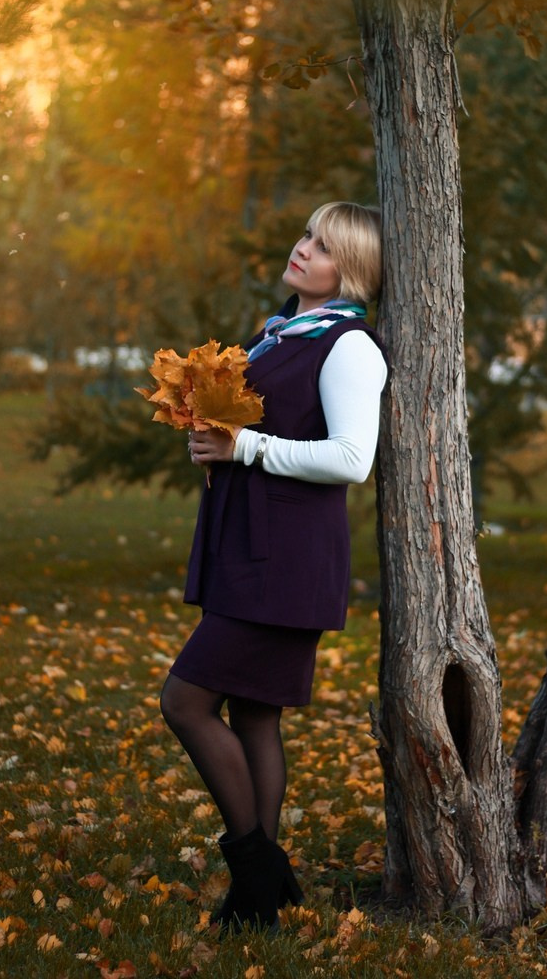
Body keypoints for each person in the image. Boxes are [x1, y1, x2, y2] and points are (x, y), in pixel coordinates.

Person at [159, 201, 388, 933]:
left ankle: (258, 869)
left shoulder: (349, 346)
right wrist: (211, 437)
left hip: (284, 558)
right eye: (307, 236)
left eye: (324, 248)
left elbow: (354, 459)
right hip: (246, 542)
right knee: (256, 715)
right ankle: (258, 900)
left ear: (349, 273)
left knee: (185, 702)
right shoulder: (280, 331)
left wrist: (247, 450)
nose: (304, 251)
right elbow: (257, 429)